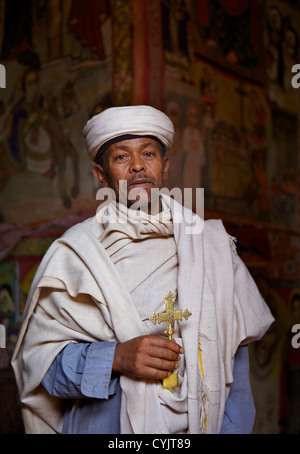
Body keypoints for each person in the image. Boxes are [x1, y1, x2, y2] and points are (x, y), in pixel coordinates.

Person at [12, 105, 274, 434]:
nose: (138, 165)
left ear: (164, 167)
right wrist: (116, 358)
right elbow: (42, 368)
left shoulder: (213, 247)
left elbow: (235, 373)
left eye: (148, 153)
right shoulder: (74, 255)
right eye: (121, 157)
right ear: (100, 175)